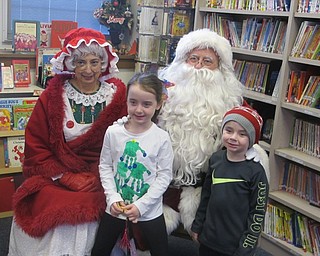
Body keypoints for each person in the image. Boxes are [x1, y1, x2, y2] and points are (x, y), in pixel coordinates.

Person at [8, 27, 128, 256]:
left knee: (107, 202)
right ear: (70, 63)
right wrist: (65, 177)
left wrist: (97, 176)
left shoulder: (117, 96)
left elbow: (124, 145)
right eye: (81, 62)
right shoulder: (52, 96)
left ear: (103, 63)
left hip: (103, 176)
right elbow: (37, 145)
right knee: (48, 200)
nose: (88, 69)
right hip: (58, 174)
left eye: (94, 62)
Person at [157, 28, 270, 236]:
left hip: (210, 190)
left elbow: (252, 131)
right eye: (193, 59)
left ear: (221, 69)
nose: (199, 66)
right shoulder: (162, 97)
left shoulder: (232, 101)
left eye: (207, 61)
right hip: (162, 187)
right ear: (182, 62)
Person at [91, 73, 174, 256]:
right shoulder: (113, 132)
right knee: (99, 251)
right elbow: (105, 166)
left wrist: (141, 206)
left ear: (158, 104)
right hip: (116, 208)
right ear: (126, 101)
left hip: (149, 210)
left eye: (147, 104)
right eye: (133, 102)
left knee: (161, 251)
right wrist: (112, 197)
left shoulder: (161, 138)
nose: (139, 110)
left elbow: (164, 176)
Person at [191, 106, 269, 256]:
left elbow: (257, 213)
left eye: (242, 134)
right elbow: (206, 196)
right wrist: (197, 225)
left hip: (235, 247)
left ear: (251, 139)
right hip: (208, 239)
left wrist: (246, 247)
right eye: (229, 130)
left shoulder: (256, 172)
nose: (233, 137)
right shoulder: (215, 159)